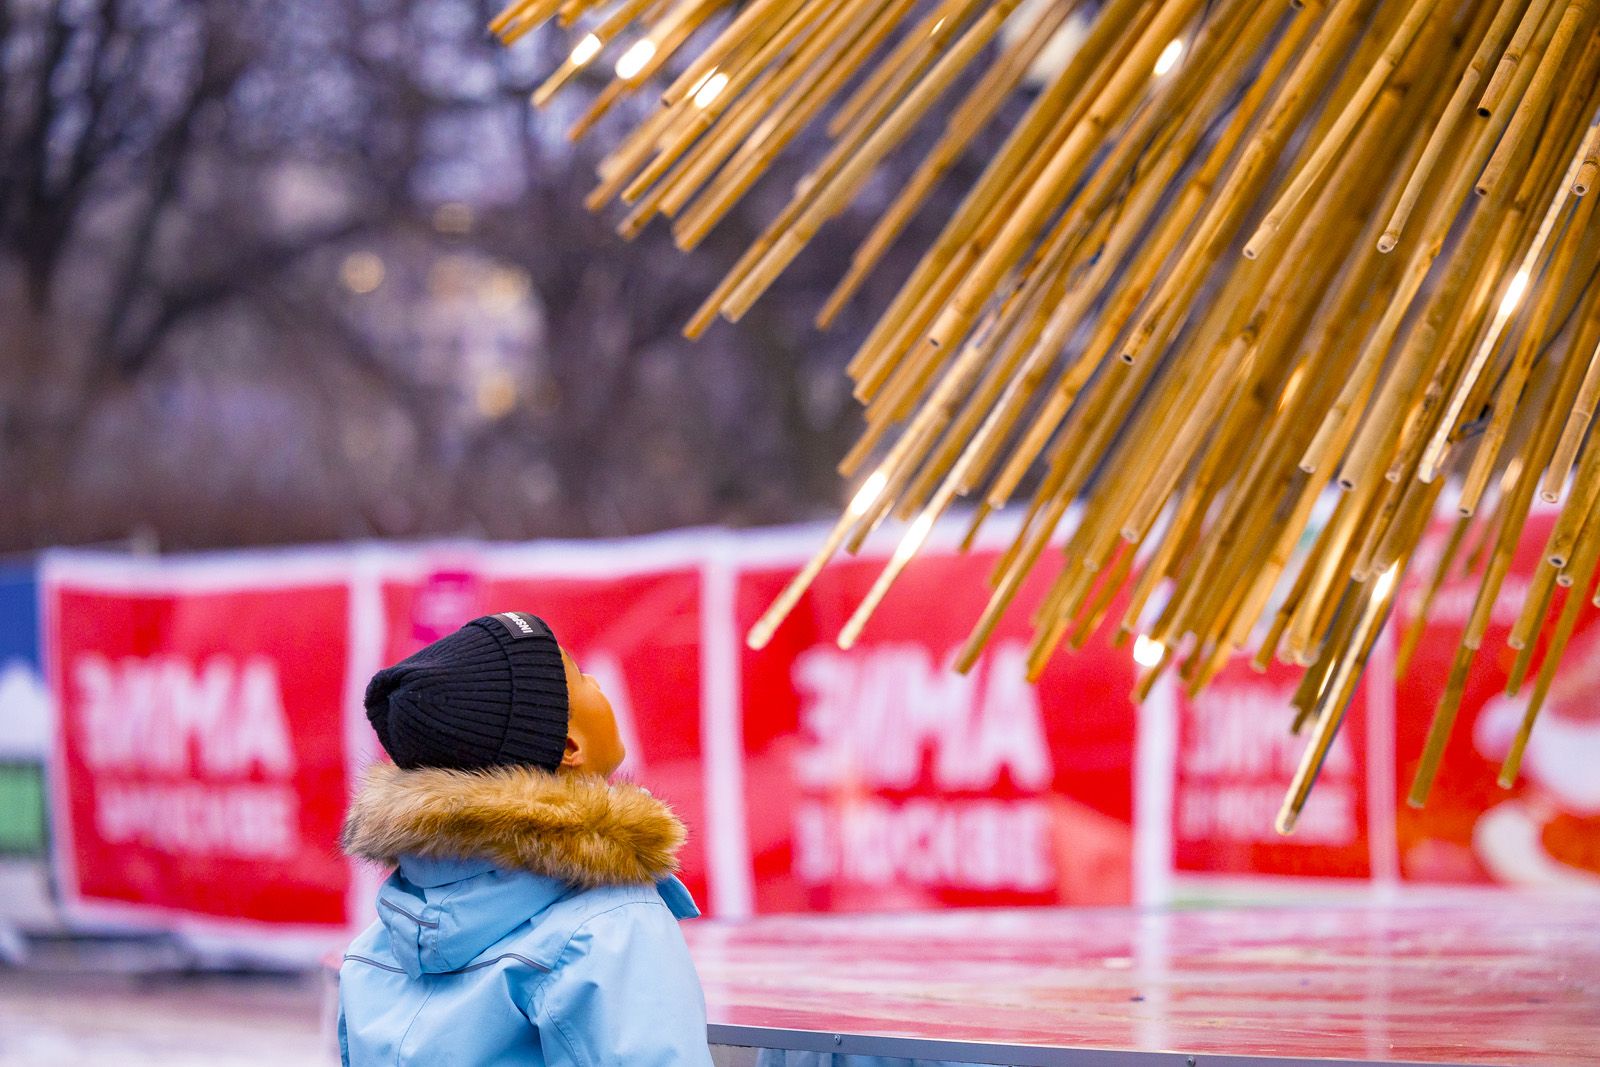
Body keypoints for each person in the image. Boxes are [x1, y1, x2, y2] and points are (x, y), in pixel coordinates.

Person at [337, 611, 712, 1066]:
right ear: (571, 746)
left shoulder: (383, 940)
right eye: (579, 676)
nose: (595, 679)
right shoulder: (611, 926)